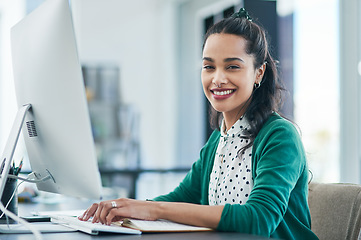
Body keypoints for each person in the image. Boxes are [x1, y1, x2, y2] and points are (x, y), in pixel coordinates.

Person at [79, 8, 319, 239]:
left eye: (232, 66)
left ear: (259, 72)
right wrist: (127, 209)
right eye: (209, 66)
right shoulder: (219, 139)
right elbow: (183, 197)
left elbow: (259, 220)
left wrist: (153, 210)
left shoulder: (279, 136)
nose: (218, 79)